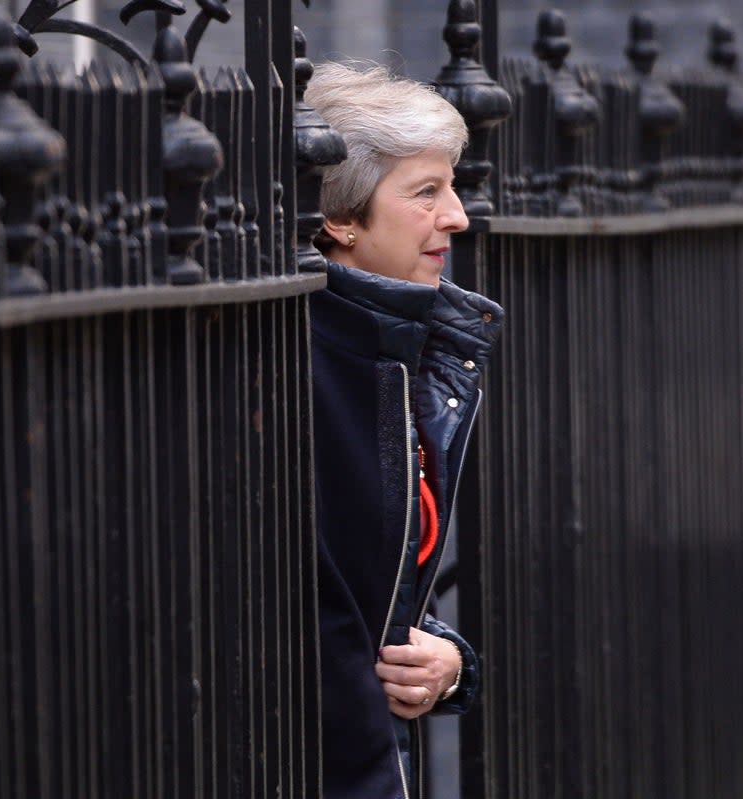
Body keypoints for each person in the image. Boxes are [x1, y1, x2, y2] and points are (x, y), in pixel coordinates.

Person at [305, 62, 505, 799]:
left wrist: (449, 663)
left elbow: (382, 601)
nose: (456, 215)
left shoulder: (402, 349)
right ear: (341, 219)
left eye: (449, 187)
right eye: (426, 192)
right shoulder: (303, 361)